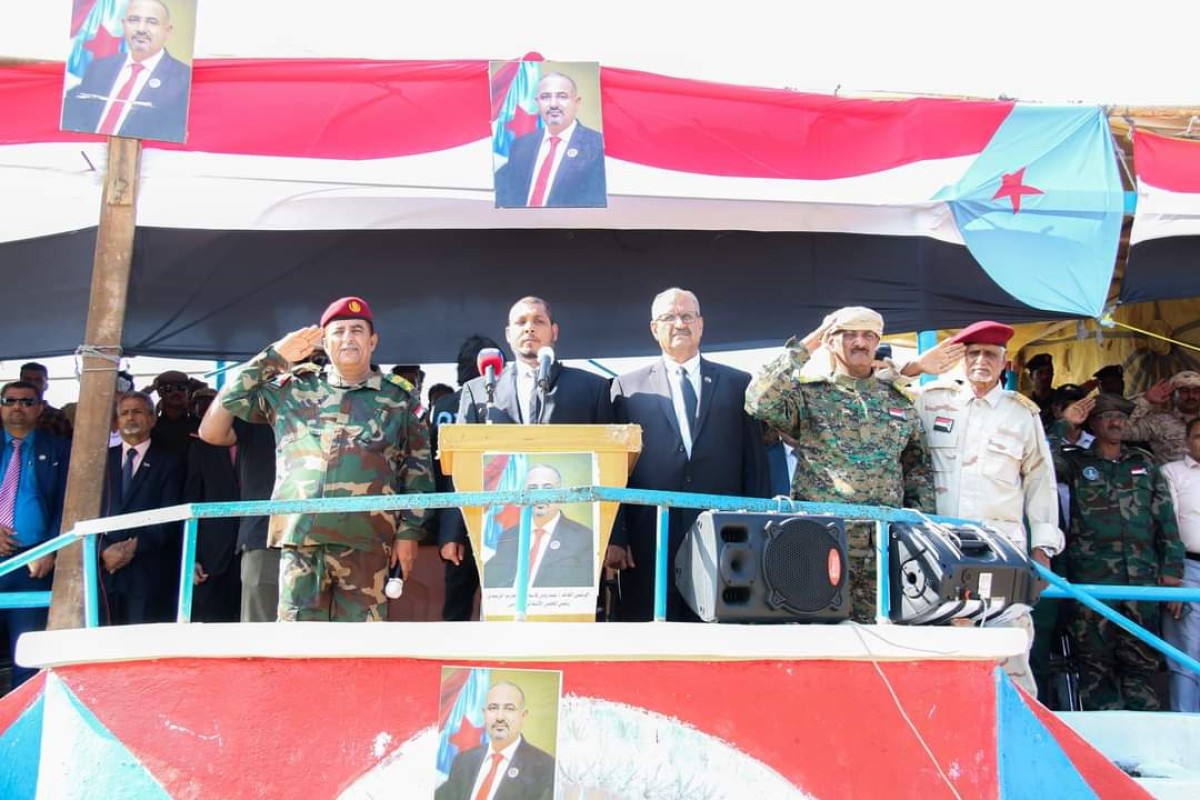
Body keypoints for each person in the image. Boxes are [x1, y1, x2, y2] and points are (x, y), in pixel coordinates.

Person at [219, 296, 434, 622]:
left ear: (372, 341)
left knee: (361, 645)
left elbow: (418, 470)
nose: (348, 338)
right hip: (302, 537)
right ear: (326, 340)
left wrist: (409, 532)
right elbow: (234, 398)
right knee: (297, 645)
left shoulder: (398, 399)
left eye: (357, 330)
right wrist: (276, 355)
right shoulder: (293, 389)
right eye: (339, 331)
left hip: (367, 542)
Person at [745, 306, 935, 623]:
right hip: (819, 544)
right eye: (849, 334)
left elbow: (917, 473)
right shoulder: (810, 395)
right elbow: (759, 399)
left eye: (868, 335)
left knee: (885, 642)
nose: (859, 342)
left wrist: (915, 539)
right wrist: (806, 346)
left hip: (882, 551)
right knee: (817, 639)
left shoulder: (899, 401)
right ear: (832, 341)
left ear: (877, 342)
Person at [913, 320, 1063, 697]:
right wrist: (915, 367)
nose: (981, 360)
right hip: (937, 549)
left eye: (990, 355)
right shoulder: (930, 399)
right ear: (960, 358)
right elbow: (877, 385)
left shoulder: (1022, 413)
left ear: (1004, 362)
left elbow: (1040, 483)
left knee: (1009, 648)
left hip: (1002, 550)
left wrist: (1042, 549)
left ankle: (1019, 738)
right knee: (939, 650)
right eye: (973, 353)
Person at [608, 288, 770, 621]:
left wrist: (761, 529)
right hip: (649, 536)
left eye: (687, 316)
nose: (679, 323)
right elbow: (614, 470)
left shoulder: (739, 384)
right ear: (654, 328)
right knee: (650, 632)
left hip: (726, 534)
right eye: (669, 317)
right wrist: (617, 535)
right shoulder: (626, 388)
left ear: (701, 324)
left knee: (721, 631)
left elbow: (754, 465)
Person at [1055, 392, 1185, 710]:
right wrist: (1064, 426)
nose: (1116, 422)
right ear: (1093, 423)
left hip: (1141, 579)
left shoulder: (1144, 463)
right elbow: (1039, 457)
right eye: (1107, 416)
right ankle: (1103, 747)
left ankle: (1145, 743)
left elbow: (1165, 517)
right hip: (1093, 580)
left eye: (1122, 417)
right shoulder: (1075, 462)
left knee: (1143, 661)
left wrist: (1172, 570)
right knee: (1096, 664)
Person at [0, 381, 69, 688]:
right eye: (10, 400)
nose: (17, 407)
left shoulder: (59, 448)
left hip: (33, 562)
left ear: (41, 408)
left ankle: (21, 731)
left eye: (27, 402)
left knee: (26, 654)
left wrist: (50, 549)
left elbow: (70, 503)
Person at [458, 297, 612, 426]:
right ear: (508, 334)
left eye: (538, 321)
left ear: (554, 332)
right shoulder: (477, 391)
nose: (529, 328)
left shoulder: (593, 389)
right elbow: (462, 455)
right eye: (520, 322)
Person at [100, 391, 184, 625]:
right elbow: (88, 511)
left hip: (148, 569)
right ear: (116, 422)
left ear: (152, 418)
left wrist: (131, 548)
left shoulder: (170, 462)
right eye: (124, 413)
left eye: (137, 412)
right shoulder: (102, 461)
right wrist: (104, 550)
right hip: (105, 570)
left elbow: (170, 515)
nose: (130, 418)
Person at [434, 335, 503, 622]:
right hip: (478, 518)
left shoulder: (442, 406)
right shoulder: (448, 407)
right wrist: (451, 531)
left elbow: (437, 476)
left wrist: (445, 528)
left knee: (469, 604)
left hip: (494, 520)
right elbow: (445, 471)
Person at [60, 0, 192, 143]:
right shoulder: (98, 68)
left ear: (168, 31)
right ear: (123, 25)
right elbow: (74, 118)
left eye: (152, 22)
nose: (141, 29)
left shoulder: (184, 81)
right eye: (134, 20)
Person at [198, 400, 279, 623]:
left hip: (326, 538)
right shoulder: (261, 409)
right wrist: (248, 373)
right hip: (265, 538)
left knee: (321, 640)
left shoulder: (335, 403)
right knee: (261, 636)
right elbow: (211, 433)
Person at [494, 72, 606, 209]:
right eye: (545, 97)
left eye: (562, 96)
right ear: (537, 103)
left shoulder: (598, 146)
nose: (553, 104)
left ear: (576, 103)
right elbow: (506, 197)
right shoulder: (521, 145)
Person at [436, 681, 555, 800]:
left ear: (523, 716)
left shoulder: (545, 768)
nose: (500, 717)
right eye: (493, 708)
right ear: (484, 713)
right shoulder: (463, 761)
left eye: (509, 708)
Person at [484, 464, 594, 589]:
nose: (540, 495)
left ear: (561, 495)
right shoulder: (508, 537)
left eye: (548, 489)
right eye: (533, 488)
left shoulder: (583, 537)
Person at [1162, 417, 1200, 712]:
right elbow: (1168, 526)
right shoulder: (1172, 473)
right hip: (1188, 569)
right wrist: (1172, 575)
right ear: (1187, 441)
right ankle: (1186, 727)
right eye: (1199, 436)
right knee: (1186, 652)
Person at [1124, 370, 1200, 464]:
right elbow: (1122, 431)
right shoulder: (1158, 421)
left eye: (1196, 391)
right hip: (1171, 477)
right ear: (1172, 395)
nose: (1191, 396)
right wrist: (1146, 400)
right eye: (1184, 391)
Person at [148, 369, 199, 465]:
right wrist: (150, 389)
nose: (175, 392)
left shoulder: (199, 426)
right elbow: (131, 405)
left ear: (188, 391)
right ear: (159, 393)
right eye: (167, 388)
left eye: (181, 388)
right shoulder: (151, 426)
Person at [18, 362, 73, 438]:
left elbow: (68, 447)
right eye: (27, 380)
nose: (33, 384)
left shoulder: (57, 417)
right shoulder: (5, 414)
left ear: (46, 385)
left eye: (38, 380)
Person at [1025, 353, 1056, 428]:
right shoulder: (1025, 404)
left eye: (1048, 372)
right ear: (1031, 376)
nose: (1045, 376)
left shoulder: (1060, 399)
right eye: (1040, 372)